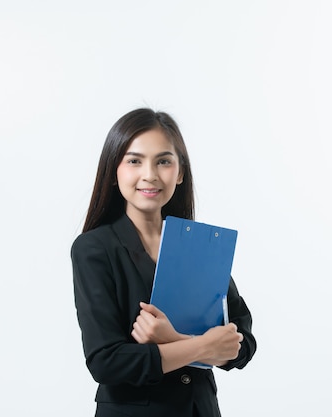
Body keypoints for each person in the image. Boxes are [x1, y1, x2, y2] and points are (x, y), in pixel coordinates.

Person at [71, 108, 257, 417]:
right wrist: (203, 347)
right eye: (134, 160)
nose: (150, 174)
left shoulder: (200, 245)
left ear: (180, 172)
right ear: (114, 170)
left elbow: (243, 343)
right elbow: (107, 362)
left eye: (164, 161)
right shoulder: (94, 249)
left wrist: (174, 339)